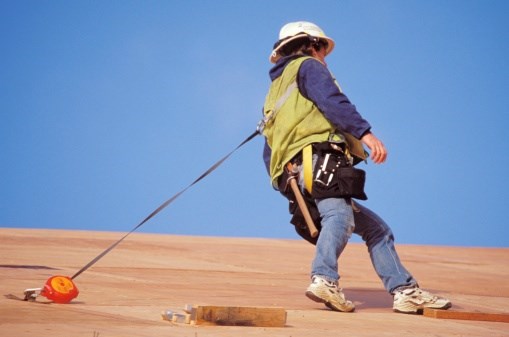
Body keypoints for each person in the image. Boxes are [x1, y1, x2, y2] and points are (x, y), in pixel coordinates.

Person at [260, 21, 451, 314]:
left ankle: (404, 291)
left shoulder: (276, 91)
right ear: (313, 45)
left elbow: (269, 149)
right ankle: (324, 278)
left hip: (297, 175)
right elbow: (333, 101)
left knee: (377, 230)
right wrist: (365, 133)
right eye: (323, 49)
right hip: (320, 159)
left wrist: (287, 186)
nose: (325, 56)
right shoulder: (310, 67)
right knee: (340, 216)